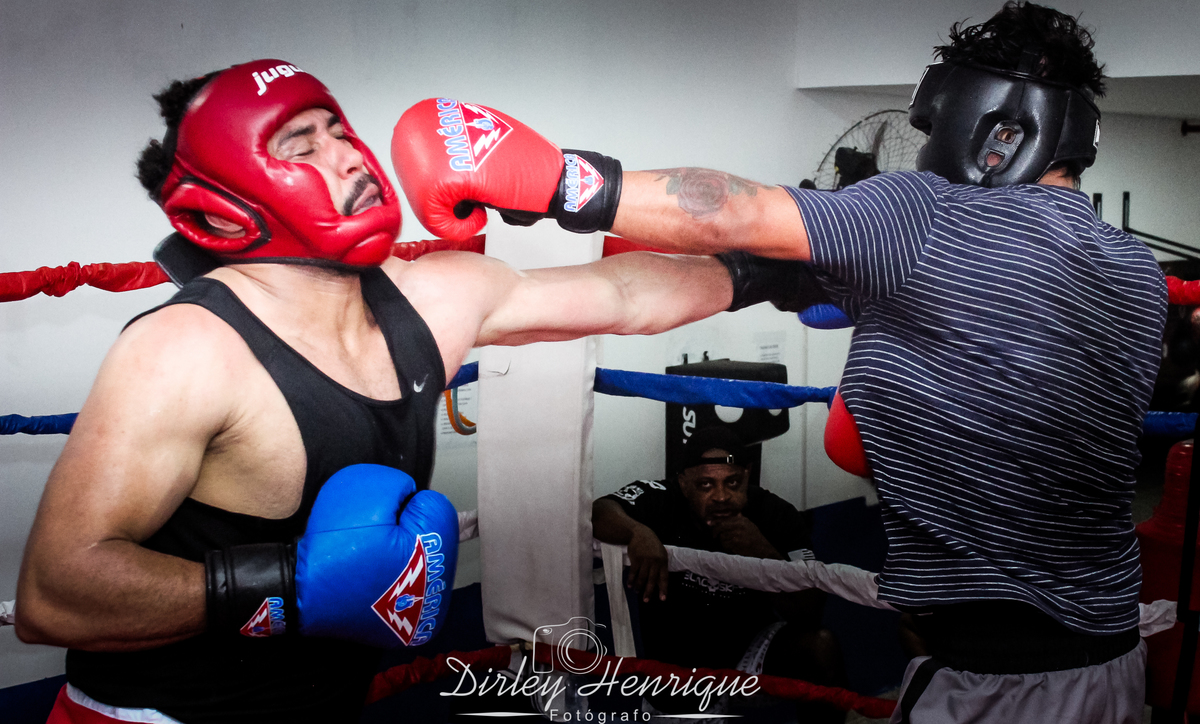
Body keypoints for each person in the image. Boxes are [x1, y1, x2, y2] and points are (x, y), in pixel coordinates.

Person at [393, 3, 1165, 721]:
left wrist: (556, 179)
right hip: (1110, 663)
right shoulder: (1135, 270)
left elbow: (737, 210)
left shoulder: (928, 216)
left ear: (990, 124)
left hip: (1000, 685)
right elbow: (698, 282)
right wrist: (499, 304)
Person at [12, 58, 771, 724]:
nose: (347, 156)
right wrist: (292, 588)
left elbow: (626, 294)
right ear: (223, 203)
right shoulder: (187, 349)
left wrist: (774, 269)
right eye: (301, 145)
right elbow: (54, 596)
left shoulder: (431, 297)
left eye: (338, 129)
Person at [592, 426, 845, 722]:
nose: (721, 496)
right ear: (684, 483)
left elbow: (811, 608)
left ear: (747, 475)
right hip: (679, 665)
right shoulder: (662, 501)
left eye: (732, 482)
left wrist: (763, 553)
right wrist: (637, 532)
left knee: (819, 648)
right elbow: (600, 510)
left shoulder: (774, 513)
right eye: (705, 485)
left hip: (750, 651)